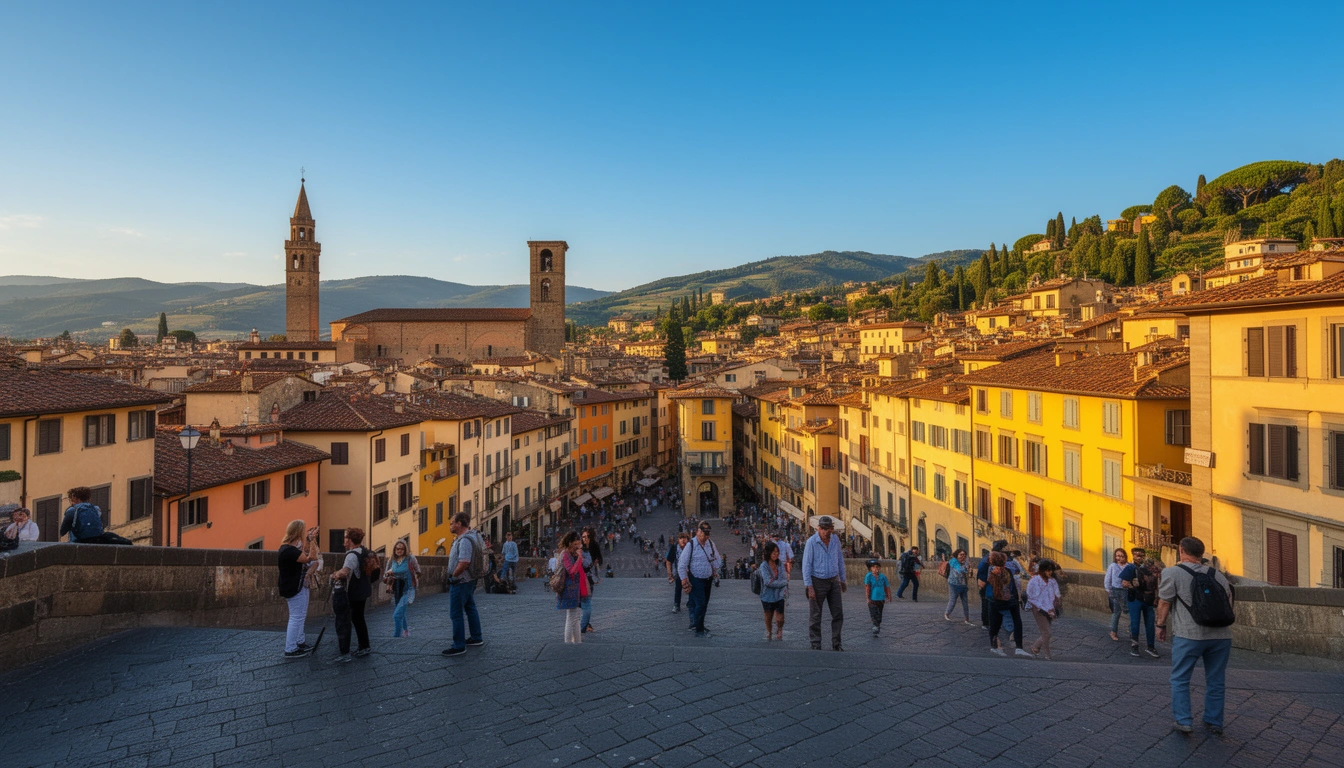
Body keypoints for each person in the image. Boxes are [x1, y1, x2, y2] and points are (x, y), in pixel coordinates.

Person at [1158, 536, 1234, 735]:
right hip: (1221, 636)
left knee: (1180, 678)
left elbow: (1164, 602)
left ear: (1181, 550)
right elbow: (1229, 603)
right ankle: (1213, 720)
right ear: (1201, 554)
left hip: (1189, 634)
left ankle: (1184, 721)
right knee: (1216, 680)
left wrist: (1160, 625)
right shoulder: (1218, 575)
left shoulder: (1172, 572)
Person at [442, 514, 486, 657]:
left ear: (459, 524)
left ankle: (459, 645)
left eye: (452, 523)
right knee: (470, 608)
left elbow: (464, 562)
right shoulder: (470, 537)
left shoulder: (465, 540)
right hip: (468, 580)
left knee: (456, 613)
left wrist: (453, 576)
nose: (450, 525)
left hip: (461, 581)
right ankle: (476, 637)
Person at [329, 527, 374, 663]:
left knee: (354, 619)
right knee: (359, 618)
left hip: (355, 591)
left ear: (350, 540)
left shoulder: (351, 555)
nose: (344, 540)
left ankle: (362, 647)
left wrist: (334, 574)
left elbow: (345, 572)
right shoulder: (364, 551)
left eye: (345, 538)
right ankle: (364, 645)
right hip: (364, 589)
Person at [802, 516, 846, 651]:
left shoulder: (835, 540)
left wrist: (843, 579)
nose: (826, 532)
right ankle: (815, 643)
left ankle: (836, 643)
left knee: (838, 613)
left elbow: (839, 559)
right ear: (818, 529)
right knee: (815, 615)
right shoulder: (811, 542)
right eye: (824, 529)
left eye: (829, 529)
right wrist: (809, 586)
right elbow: (806, 565)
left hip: (833, 580)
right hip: (817, 581)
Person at [277, 520, 320, 658]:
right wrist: (312, 541)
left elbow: (302, 552)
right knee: (296, 617)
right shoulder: (290, 551)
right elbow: (310, 557)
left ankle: (299, 642)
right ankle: (290, 648)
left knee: (300, 615)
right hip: (294, 586)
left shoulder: (287, 548)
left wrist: (308, 539)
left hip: (296, 584)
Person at [677, 521, 721, 638]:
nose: (706, 536)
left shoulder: (710, 544)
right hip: (695, 579)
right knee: (700, 604)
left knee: (705, 604)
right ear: (698, 532)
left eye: (708, 533)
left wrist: (715, 567)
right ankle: (699, 629)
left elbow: (718, 559)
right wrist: (684, 580)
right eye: (704, 533)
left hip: (708, 579)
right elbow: (682, 564)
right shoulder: (691, 545)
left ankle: (699, 624)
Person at [986, 551, 1032, 657]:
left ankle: (995, 647)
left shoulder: (992, 571)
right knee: (1017, 623)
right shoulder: (1007, 571)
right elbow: (1013, 586)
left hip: (995, 601)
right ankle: (1019, 647)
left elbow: (988, 585)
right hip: (1011, 600)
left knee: (995, 624)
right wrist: (1017, 599)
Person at [1122, 553, 1161, 658]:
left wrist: (1156, 597)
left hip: (1148, 599)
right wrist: (1133, 586)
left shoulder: (1154, 570)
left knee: (1150, 623)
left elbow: (1157, 585)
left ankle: (1150, 646)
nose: (1140, 557)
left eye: (1142, 555)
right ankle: (1135, 646)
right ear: (1133, 556)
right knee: (1135, 622)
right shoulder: (1131, 567)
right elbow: (1124, 582)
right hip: (1135, 599)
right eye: (1137, 555)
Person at [556, 532, 589, 643]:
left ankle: (577, 642)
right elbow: (572, 571)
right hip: (568, 589)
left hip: (575, 589)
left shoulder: (572, 554)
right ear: (570, 543)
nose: (577, 547)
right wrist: (579, 558)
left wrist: (579, 557)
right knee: (571, 617)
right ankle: (568, 642)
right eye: (575, 544)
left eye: (579, 544)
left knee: (576, 617)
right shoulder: (565, 554)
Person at [1027, 559, 1061, 660]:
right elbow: (1031, 595)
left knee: (1046, 631)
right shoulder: (1034, 581)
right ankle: (1047, 654)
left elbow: (1057, 593)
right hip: (1039, 609)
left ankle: (1035, 647)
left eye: (1051, 570)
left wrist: (1057, 603)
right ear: (1042, 570)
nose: (1050, 572)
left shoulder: (1052, 581)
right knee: (1047, 632)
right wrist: (1039, 607)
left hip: (1050, 608)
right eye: (1048, 570)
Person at [385, 540, 420, 638]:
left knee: (397, 614)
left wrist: (414, 581)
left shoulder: (410, 558)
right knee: (400, 611)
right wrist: (389, 573)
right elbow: (385, 574)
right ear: (394, 549)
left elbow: (418, 571)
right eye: (397, 548)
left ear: (405, 549)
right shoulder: (392, 559)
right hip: (397, 588)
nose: (399, 550)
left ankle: (396, 636)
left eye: (401, 549)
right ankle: (406, 630)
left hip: (408, 589)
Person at [758, 541, 789, 641]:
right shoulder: (764, 566)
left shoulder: (780, 563)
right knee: (768, 615)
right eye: (773, 552)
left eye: (777, 552)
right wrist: (782, 583)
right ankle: (769, 631)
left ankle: (779, 629)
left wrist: (780, 582)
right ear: (768, 553)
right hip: (767, 595)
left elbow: (784, 577)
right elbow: (767, 582)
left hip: (779, 595)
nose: (776, 554)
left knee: (780, 618)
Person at [1104, 548, 1129, 642]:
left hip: (1126, 591)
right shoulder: (1113, 566)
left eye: (1121, 556)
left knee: (1130, 612)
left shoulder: (1128, 566)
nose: (1119, 558)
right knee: (1116, 613)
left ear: (1125, 556)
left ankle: (1132, 633)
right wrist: (1108, 590)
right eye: (1118, 556)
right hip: (1115, 591)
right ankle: (1113, 632)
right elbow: (1107, 578)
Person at [581, 527, 602, 633]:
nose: (585, 539)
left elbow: (600, 560)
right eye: (583, 536)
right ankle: (584, 624)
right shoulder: (579, 548)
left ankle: (584, 624)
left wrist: (594, 564)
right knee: (583, 603)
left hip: (590, 578)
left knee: (587, 601)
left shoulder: (594, 546)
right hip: (580, 578)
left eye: (588, 536)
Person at [863, 559, 890, 636]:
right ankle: (875, 625)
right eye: (874, 567)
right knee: (873, 613)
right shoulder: (868, 576)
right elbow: (867, 587)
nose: (876, 569)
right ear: (870, 568)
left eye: (877, 567)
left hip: (881, 598)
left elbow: (886, 586)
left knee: (879, 614)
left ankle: (877, 624)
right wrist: (867, 598)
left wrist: (888, 596)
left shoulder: (882, 576)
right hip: (872, 598)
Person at [944, 549, 972, 624]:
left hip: (963, 584)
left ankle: (966, 618)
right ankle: (947, 614)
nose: (962, 556)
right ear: (957, 555)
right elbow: (959, 570)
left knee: (965, 601)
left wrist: (967, 566)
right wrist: (964, 565)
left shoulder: (965, 561)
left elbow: (966, 572)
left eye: (964, 555)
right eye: (961, 555)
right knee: (953, 600)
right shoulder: (953, 561)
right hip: (953, 584)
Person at [666, 532, 689, 613]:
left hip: (690, 571)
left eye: (685, 538)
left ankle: (691, 602)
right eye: (681, 538)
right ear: (678, 540)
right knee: (678, 587)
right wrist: (670, 574)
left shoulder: (690, 547)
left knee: (693, 586)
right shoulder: (674, 548)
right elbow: (669, 561)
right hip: (679, 571)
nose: (683, 540)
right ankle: (676, 604)